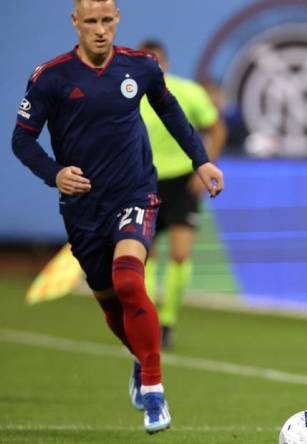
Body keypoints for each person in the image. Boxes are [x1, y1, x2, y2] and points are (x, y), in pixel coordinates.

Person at [10, 0, 224, 434]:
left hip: (135, 193)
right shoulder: (50, 77)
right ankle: (140, 357)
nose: (101, 30)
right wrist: (54, 173)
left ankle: (154, 389)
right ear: (75, 23)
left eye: (107, 20)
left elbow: (172, 114)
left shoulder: (141, 67)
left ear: (118, 20)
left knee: (129, 279)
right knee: (110, 302)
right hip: (83, 207)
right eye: (91, 21)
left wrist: (200, 161)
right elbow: (22, 140)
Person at [138, 39, 227, 349]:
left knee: (179, 254)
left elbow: (216, 128)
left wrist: (204, 168)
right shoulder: (128, 96)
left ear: (166, 63)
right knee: (143, 256)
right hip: (144, 182)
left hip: (181, 182)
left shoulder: (187, 92)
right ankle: (146, 320)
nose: (153, 67)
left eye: (157, 61)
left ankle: (168, 322)